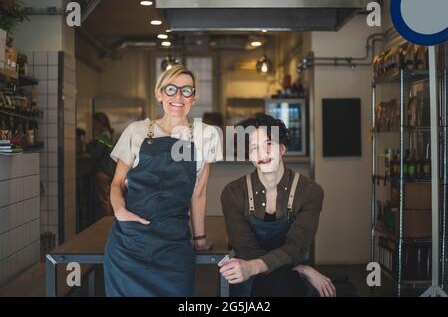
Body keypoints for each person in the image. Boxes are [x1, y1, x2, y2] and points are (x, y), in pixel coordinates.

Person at [103, 65, 222, 297]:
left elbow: (199, 193)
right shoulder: (136, 131)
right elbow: (117, 184)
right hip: (129, 245)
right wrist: (119, 211)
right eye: (171, 89)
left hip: (174, 245)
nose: (178, 96)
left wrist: (199, 239)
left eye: (186, 91)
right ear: (159, 94)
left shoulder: (206, 135)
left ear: (194, 97)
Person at [219, 114, 337, 297]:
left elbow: (295, 247)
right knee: (276, 282)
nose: (262, 154)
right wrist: (302, 269)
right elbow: (246, 250)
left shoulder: (309, 192)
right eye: (253, 148)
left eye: (268, 144)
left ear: (282, 147)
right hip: (249, 278)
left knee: (280, 283)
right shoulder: (233, 193)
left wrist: (255, 266)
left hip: (282, 278)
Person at [88, 112, 116, 220]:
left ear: (100, 123)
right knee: (107, 199)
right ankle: (108, 224)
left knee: (103, 201)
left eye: (94, 123)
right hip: (108, 171)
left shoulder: (103, 136)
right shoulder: (107, 134)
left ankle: (105, 225)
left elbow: (97, 153)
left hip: (102, 172)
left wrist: (89, 146)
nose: (93, 125)